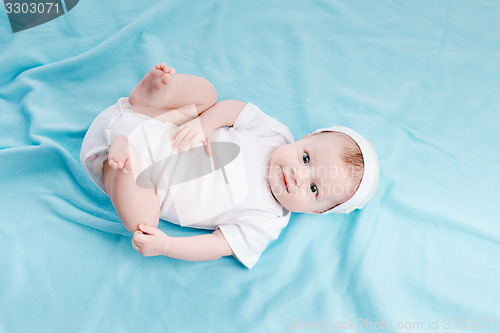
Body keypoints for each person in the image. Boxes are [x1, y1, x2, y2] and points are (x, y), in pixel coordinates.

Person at [80, 63, 380, 269]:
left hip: (134, 172)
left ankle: (123, 163)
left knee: (144, 222)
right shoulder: (276, 135)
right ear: (304, 138)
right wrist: (205, 123)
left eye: (314, 188)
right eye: (305, 158)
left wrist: (168, 247)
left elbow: (215, 245)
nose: (297, 176)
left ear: (316, 211)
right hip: (158, 124)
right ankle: (153, 96)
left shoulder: (266, 222)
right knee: (209, 96)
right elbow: (235, 109)